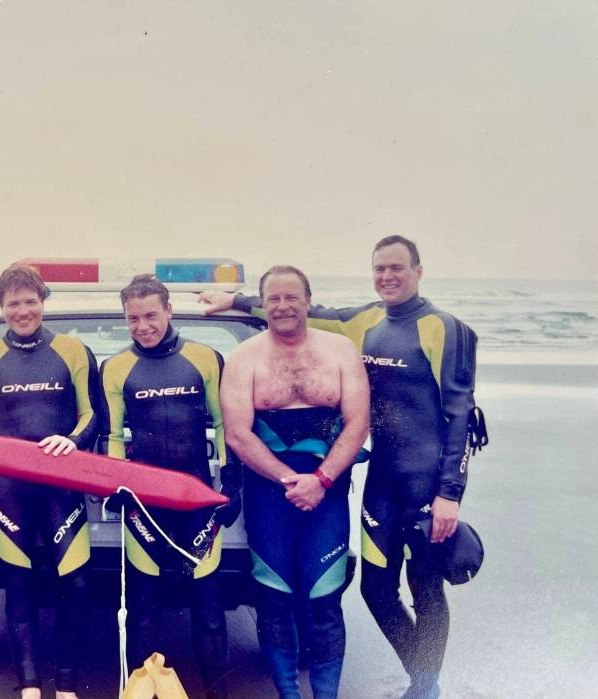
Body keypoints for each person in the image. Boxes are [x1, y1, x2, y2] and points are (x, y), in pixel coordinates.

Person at [203, 237, 479, 699]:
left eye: (397, 268)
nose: (387, 277)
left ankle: (426, 686)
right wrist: (237, 300)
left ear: (418, 271)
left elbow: (461, 414)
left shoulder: (445, 328)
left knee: (425, 588)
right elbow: (299, 308)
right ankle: (420, 680)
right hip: (381, 480)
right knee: (375, 590)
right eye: (380, 269)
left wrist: (449, 492)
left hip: (426, 481)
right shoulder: (367, 321)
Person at [219, 265, 369, 699]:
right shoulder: (244, 358)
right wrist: (292, 480)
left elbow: (358, 424)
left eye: (291, 297)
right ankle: (288, 694)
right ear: (263, 304)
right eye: (274, 299)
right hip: (270, 494)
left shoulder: (340, 351)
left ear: (307, 300)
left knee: (326, 599)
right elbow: (238, 435)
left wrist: (320, 479)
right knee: (274, 598)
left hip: (328, 492)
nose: (282, 306)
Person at [0, 263, 101, 699]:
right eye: (13, 304)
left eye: (30, 301)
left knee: (76, 583)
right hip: (7, 489)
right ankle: (29, 686)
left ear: (43, 302)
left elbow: (94, 414)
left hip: (61, 485)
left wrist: (73, 440)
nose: (22, 311)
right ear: (2, 307)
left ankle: (67, 686)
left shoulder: (73, 350)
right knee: (19, 586)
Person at [100, 274, 241, 699]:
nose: (142, 326)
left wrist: (231, 482)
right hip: (145, 505)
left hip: (198, 501)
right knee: (144, 610)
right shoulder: (116, 368)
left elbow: (225, 424)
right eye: (133, 318)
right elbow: (112, 435)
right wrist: (117, 485)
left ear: (168, 311)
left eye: (150, 316)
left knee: (209, 608)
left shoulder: (205, 358)